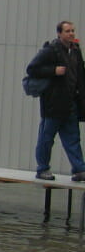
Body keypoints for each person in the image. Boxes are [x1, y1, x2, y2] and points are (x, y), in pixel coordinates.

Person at [25, 21, 85, 181]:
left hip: (70, 103)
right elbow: (32, 69)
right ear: (59, 33)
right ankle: (42, 168)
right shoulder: (51, 50)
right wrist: (53, 71)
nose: (71, 33)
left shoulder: (76, 52)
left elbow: (80, 77)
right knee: (46, 138)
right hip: (53, 103)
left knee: (73, 138)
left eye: (73, 30)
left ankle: (79, 169)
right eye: (67, 31)